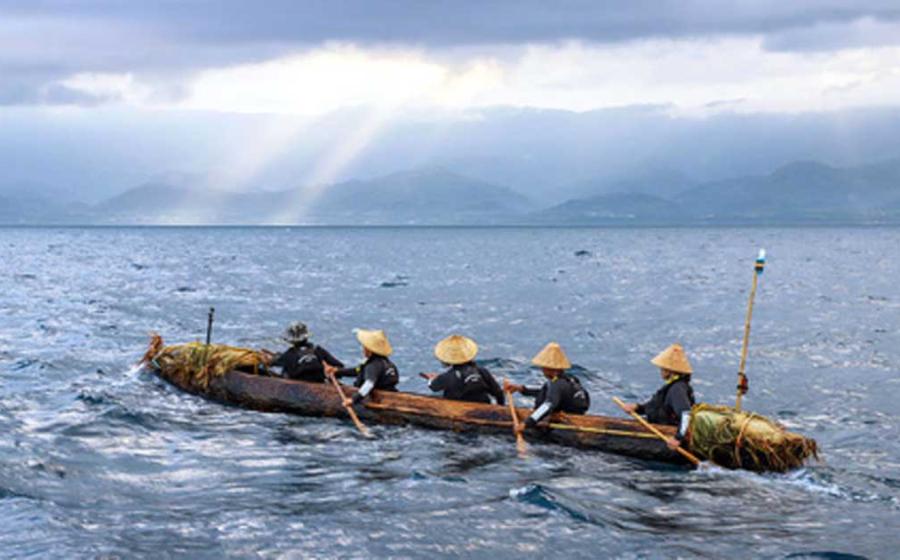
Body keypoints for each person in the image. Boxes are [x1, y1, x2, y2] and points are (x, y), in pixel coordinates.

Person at [620, 343, 696, 449]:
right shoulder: (671, 386)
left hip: (669, 433)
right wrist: (637, 408)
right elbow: (657, 407)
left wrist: (678, 438)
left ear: (670, 371)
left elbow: (686, 414)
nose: (660, 372)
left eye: (662, 369)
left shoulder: (677, 389)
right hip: (657, 425)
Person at [503, 342, 590, 432]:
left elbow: (548, 406)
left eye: (543, 367)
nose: (542, 370)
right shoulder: (571, 379)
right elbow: (549, 394)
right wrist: (522, 389)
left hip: (567, 419)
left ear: (550, 369)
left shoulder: (556, 384)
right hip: (578, 412)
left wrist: (526, 423)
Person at [421, 335, 505, 405]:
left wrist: (431, 379)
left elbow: (433, 387)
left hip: (457, 409)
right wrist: (501, 408)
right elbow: (498, 393)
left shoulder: (447, 376)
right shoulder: (482, 371)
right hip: (483, 407)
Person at [324, 328, 399, 406]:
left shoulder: (373, 366)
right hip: (390, 391)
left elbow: (369, 384)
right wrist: (337, 370)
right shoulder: (386, 363)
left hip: (379, 397)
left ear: (369, 350)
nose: (363, 349)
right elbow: (357, 370)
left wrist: (353, 399)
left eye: (364, 347)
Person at [267, 322, 344, 382]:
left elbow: (272, 363)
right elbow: (339, 366)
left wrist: (268, 360)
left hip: (296, 384)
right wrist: (331, 370)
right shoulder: (318, 350)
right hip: (319, 381)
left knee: (284, 371)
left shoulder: (289, 354)